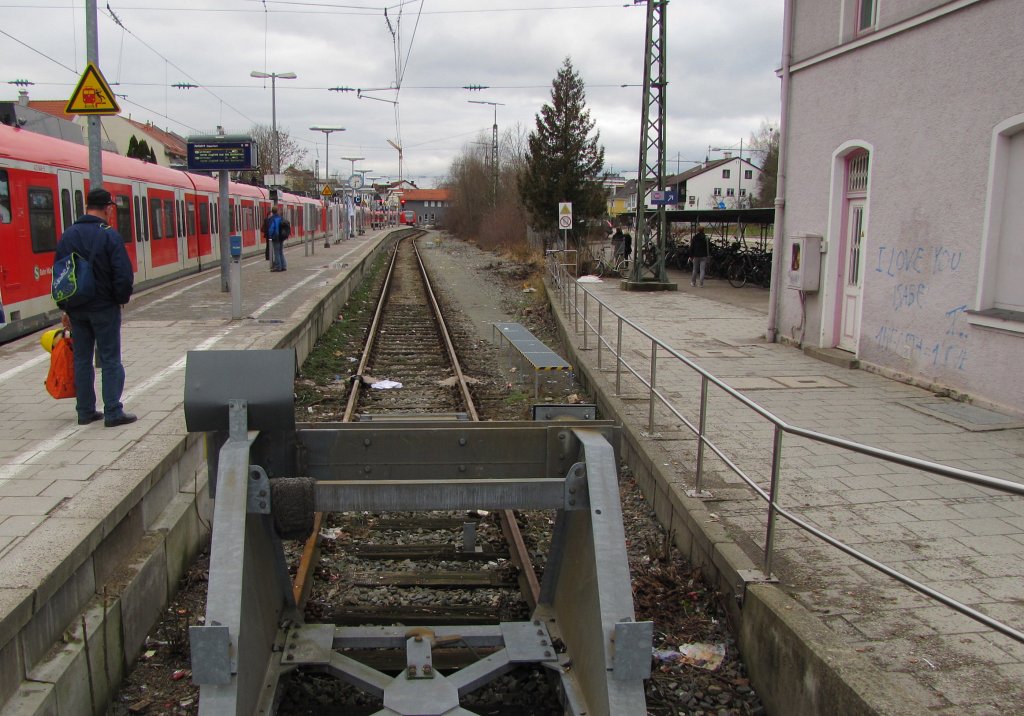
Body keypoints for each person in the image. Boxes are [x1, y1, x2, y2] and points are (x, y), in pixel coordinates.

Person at [53, 188, 136, 427]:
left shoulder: (68, 235)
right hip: (104, 306)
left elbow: (60, 274)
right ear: (108, 208)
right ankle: (113, 411)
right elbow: (122, 273)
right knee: (110, 358)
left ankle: (85, 411)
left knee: (82, 359)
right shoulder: (109, 235)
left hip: (76, 307)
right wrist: (121, 298)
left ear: (86, 207)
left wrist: (64, 308)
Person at [267, 207, 286, 272]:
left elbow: (271, 229)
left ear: (272, 212)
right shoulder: (281, 218)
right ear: (277, 211)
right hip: (282, 237)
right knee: (281, 252)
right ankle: (284, 266)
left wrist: (270, 236)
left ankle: (278, 267)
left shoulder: (272, 219)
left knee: (276, 252)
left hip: (276, 237)